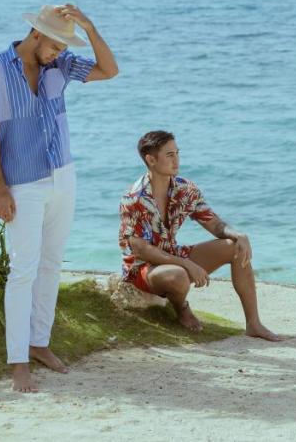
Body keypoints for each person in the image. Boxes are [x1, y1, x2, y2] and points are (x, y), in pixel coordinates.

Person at [0, 4, 119, 394]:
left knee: (52, 263)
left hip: (62, 176)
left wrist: (88, 26)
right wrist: (0, 190)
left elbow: (109, 70)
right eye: (55, 44)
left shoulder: (61, 65)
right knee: (23, 270)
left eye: (62, 47)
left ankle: (39, 343)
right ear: (36, 35)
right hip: (22, 183)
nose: (58, 52)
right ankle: (18, 361)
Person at [118, 130, 281, 341]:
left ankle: (254, 324)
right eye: (169, 155)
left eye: (177, 153)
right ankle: (181, 308)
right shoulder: (134, 198)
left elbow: (212, 222)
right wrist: (186, 264)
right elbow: (141, 249)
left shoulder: (185, 189)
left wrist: (238, 234)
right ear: (151, 160)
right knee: (178, 275)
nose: (176, 160)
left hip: (172, 255)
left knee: (235, 246)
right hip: (142, 268)